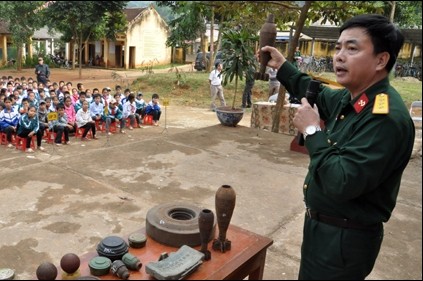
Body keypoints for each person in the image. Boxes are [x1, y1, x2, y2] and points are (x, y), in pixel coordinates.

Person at [261, 14, 415, 280]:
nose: (339, 56)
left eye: (352, 48)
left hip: (345, 240)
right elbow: (317, 93)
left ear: (381, 60)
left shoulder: (385, 118)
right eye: (338, 47)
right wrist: (283, 65)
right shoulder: (355, 97)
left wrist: (311, 131)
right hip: (324, 229)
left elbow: (341, 181)